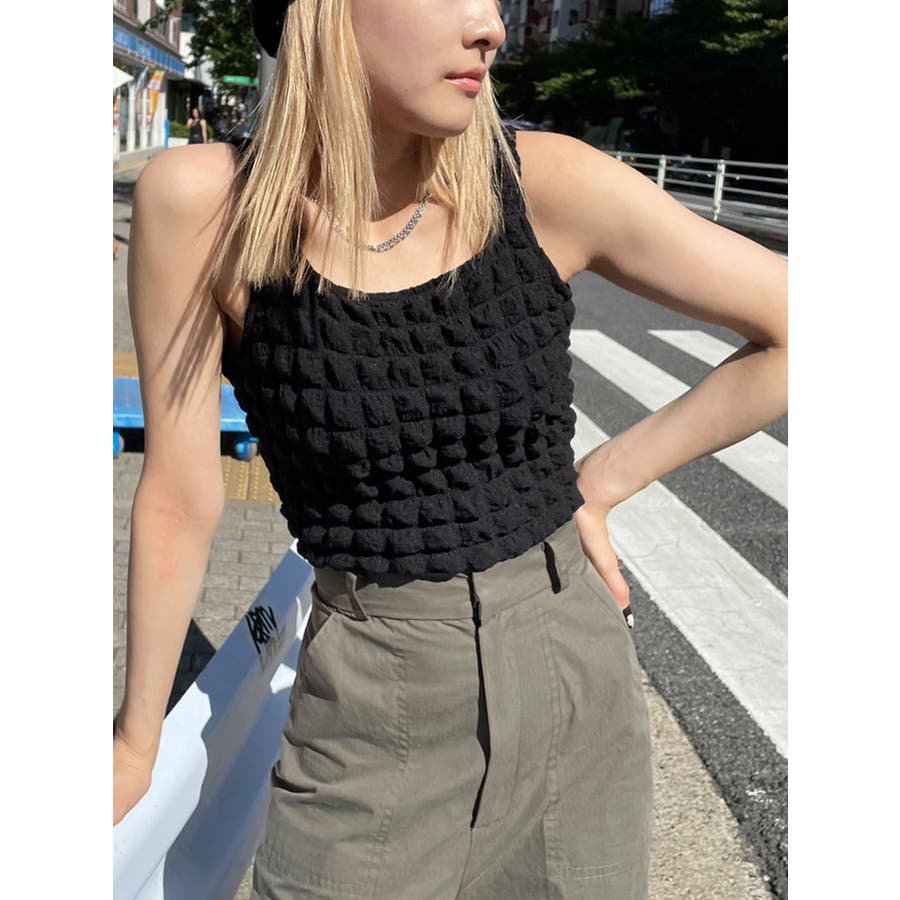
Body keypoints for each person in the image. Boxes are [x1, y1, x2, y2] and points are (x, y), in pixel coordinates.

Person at [112, 1, 788, 897]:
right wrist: (136, 745)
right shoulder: (206, 207)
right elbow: (180, 495)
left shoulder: (542, 180)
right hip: (368, 705)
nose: (491, 27)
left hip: (575, 678)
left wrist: (601, 483)